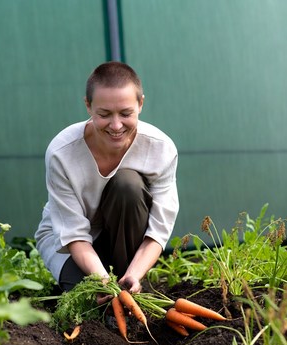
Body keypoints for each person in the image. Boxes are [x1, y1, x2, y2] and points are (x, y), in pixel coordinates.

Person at [35, 61, 179, 299]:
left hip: (124, 240)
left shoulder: (160, 149)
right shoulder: (62, 153)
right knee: (90, 302)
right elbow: (74, 234)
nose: (116, 125)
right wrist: (102, 281)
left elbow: (158, 231)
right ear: (88, 106)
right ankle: (114, 291)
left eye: (125, 113)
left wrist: (134, 274)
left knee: (128, 185)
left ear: (141, 103)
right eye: (104, 114)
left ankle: (130, 285)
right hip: (70, 242)